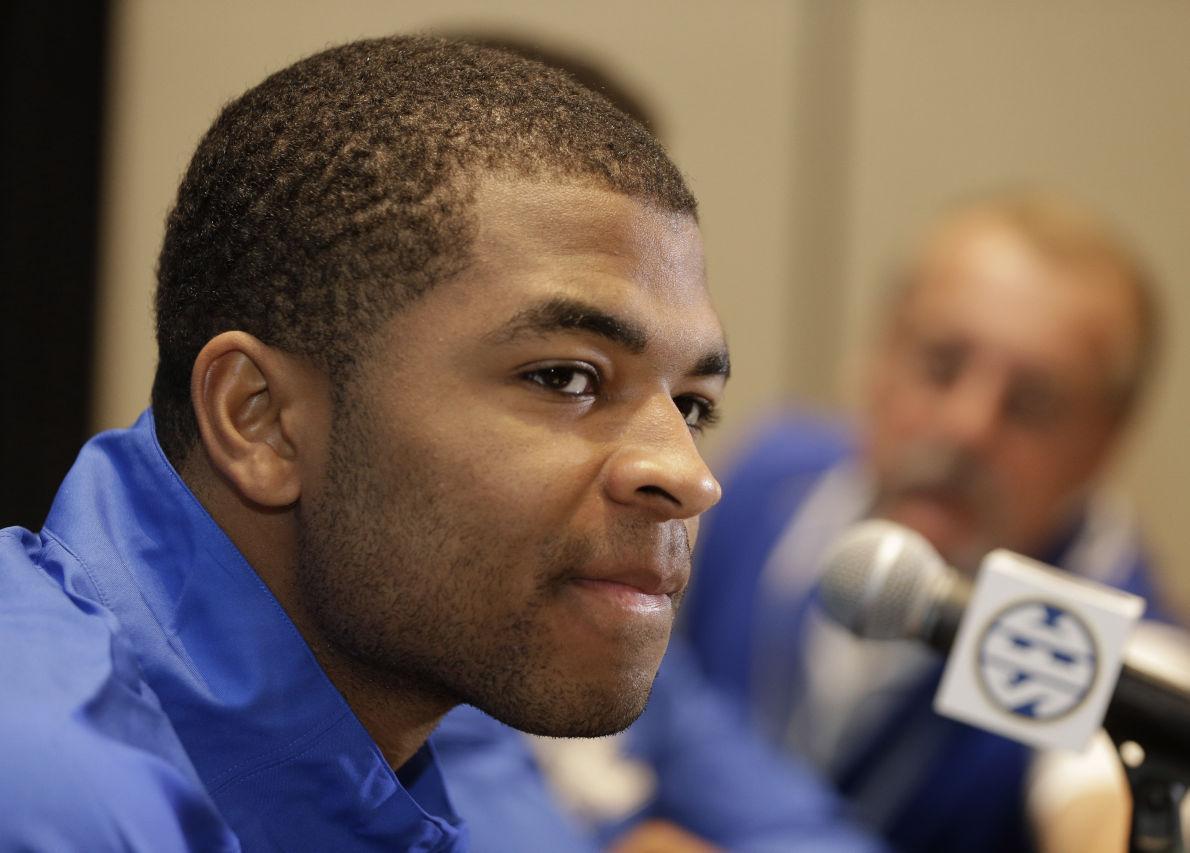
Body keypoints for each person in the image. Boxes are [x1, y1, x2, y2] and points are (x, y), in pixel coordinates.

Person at [0, 35, 733, 850]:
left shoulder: (379, 746)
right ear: (261, 420)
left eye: (695, 404)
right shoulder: (48, 792)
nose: (688, 474)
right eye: (566, 377)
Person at [683, 191, 1165, 853]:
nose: (968, 427)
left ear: (1103, 444)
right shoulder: (767, 480)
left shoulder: (1118, 634)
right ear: (878, 356)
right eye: (940, 365)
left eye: (1032, 403)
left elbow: (1099, 796)